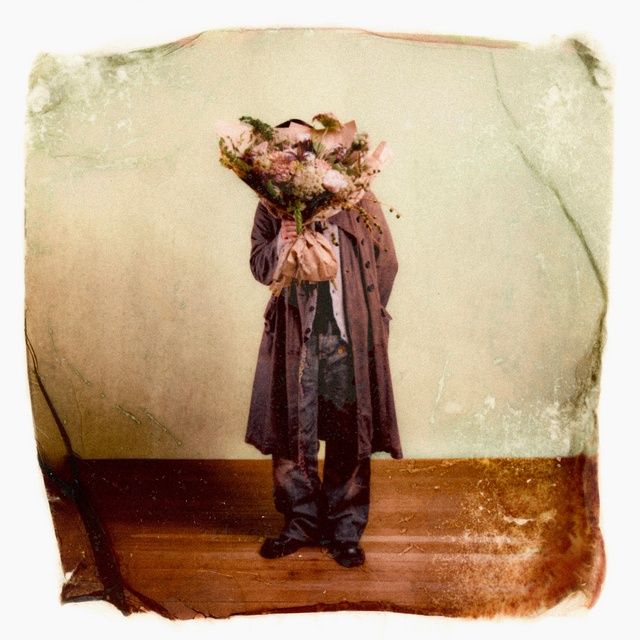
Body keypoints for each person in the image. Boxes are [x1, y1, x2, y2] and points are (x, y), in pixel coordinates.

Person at [246, 120, 402, 568]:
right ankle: (299, 524)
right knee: (291, 431)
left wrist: (368, 316)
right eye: (287, 154)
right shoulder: (272, 204)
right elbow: (258, 265)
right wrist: (281, 243)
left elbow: (387, 260)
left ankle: (345, 531)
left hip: (348, 337)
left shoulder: (358, 197)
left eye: (304, 150)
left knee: (350, 432)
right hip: (295, 337)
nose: (296, 160)